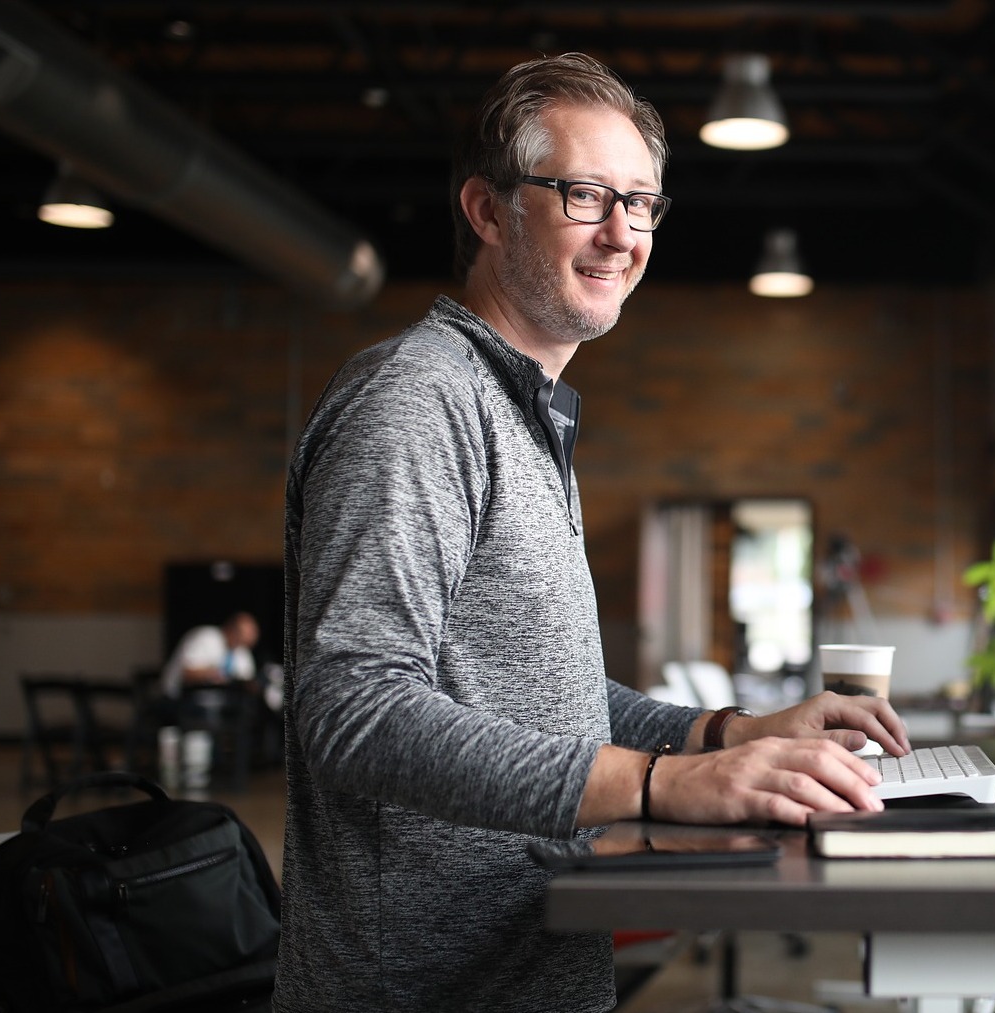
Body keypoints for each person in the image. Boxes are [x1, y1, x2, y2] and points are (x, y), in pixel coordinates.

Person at [276, 53, 911, 1013]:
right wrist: (659, 785)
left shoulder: (524, 415)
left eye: (644, 202)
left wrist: (728, 735)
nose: (623, 232)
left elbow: (547, 701)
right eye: (584, 194)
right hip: (419, 988)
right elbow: (353, 708)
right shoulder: (416, 401)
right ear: (487, 212)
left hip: (531, 966)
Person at [159, 611, 258, 698]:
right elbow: (186, 674)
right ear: (231, 629)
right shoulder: (205, 637)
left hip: (220, 703)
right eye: (242, 635)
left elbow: (246, 680)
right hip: (178, 697)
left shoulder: (242, 651)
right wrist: (214, 674)